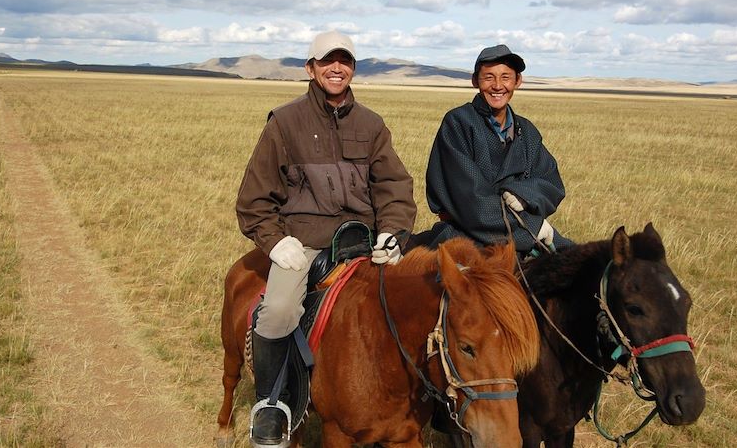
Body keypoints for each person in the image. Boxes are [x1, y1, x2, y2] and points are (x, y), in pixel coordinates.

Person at [236, 31, 417, 446]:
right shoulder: (284, 122)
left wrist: (393, 233)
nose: (337, 68)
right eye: (327, 61)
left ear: (353, 68)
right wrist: (276, 241)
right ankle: (272, 405)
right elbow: (254, 199)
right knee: (280, 309)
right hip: (305, 244)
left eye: (345, 61)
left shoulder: (371, 124)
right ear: (311, 68)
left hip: (364, 243)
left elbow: (394, 185)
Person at [424, 44, 571, 257]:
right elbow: (471, 202)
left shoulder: (527, 131)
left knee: (579, 264)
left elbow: (551, 182)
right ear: (475, 81)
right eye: (488, 77)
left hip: (520, 228)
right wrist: (531, 229)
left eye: (505, 77)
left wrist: (524, 195)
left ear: (517, 81)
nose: (497, 86)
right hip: (466, 234)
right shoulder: (458, 123)